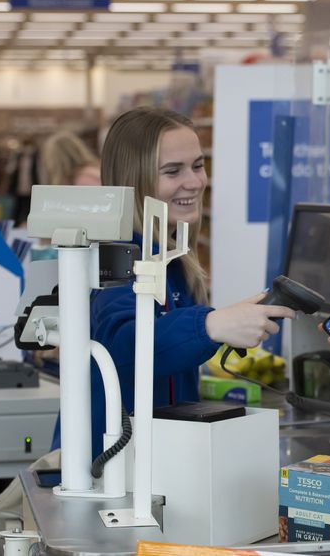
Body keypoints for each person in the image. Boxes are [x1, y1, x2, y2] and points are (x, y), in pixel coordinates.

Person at [51, 106, 295, 457]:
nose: (194, 182)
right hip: (108, 469)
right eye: (172, 171)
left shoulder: (173, 258)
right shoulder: (115, 255)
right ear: (135, 179)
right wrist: (210, 325)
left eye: (198, 165)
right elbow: (125, 344)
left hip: (155, 461)